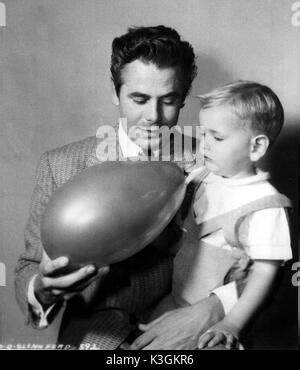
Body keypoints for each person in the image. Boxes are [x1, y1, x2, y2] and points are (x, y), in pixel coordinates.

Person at [15, 25, 230, 350]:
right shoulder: (59, 164)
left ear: (184, 98)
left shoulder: (213, 158)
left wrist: (214, 308)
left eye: (168, 100)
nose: (153, 117)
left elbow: (256, 255)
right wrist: (42, 289)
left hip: (187, 340)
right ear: (115, 93)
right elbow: (30, 266)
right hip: (92, 339)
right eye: (139, 99)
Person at [132, 81, 292, 350]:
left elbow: (265, 274)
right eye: (203, 133)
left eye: (216, 137)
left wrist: (232, 324)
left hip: (216, 323)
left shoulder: (265, 206)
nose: (204, 145)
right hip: (175, 298)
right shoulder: (203, 176)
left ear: (256, 147)